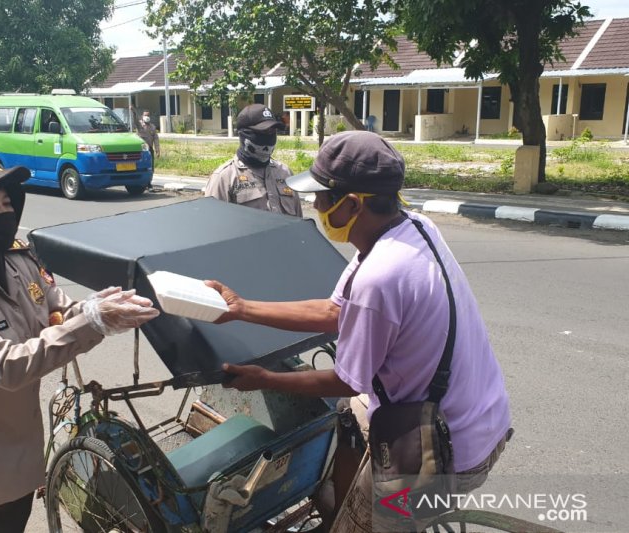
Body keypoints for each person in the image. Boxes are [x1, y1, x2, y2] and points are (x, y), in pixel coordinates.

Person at [206, 131, 511, 531]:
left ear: (351, 204)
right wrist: (243, 308)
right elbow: (334, 311)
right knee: (350, 416)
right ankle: (343, 496)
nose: (313, 205)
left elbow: (347, 381)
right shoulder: (415, 227)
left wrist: (266, 379)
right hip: (482, 420)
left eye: (321, 197)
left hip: (444, 455)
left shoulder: (379, 278)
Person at [0, 154, 159, 533]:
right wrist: (90, 323)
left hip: (21, 440)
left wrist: (95, 309)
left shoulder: (17, 258)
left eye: (7, 201)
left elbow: (56, 307)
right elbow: (8, 366)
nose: (3, 213)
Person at [205, 103, 301, 217]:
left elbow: (298, 223)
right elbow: (214, 227)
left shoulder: (285, 173)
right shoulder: (224, 178)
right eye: (263, 133)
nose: (268, 139)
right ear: (244, 134)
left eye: (272, 132)